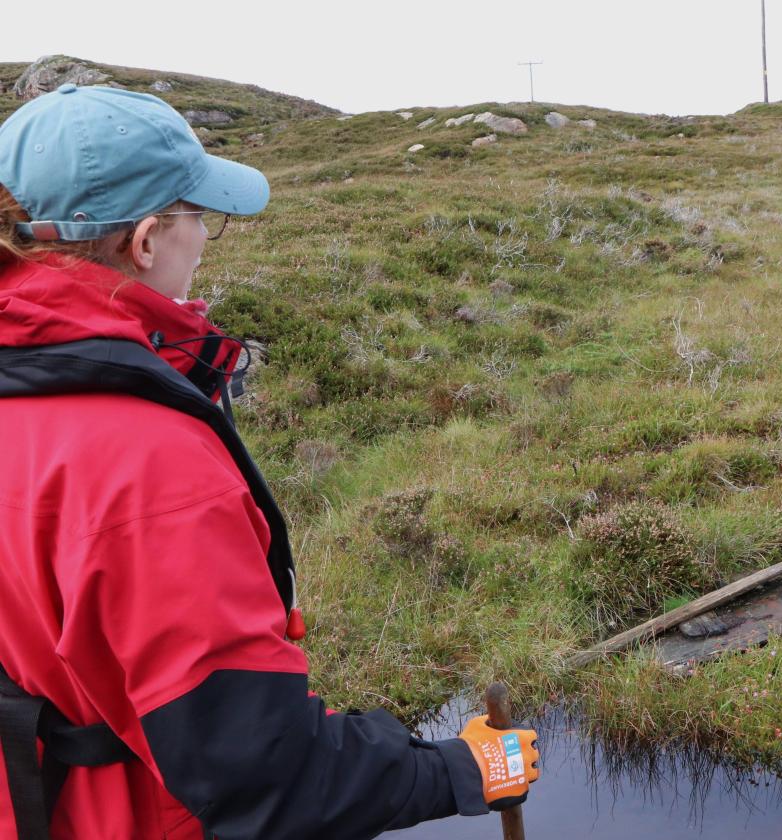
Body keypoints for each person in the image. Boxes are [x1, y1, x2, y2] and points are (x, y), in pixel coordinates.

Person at [0, 84, 538, 840]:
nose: (204, 240)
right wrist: (462, 769)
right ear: (147, 240)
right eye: (200, 217)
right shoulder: (146, 463)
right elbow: (261, 773)